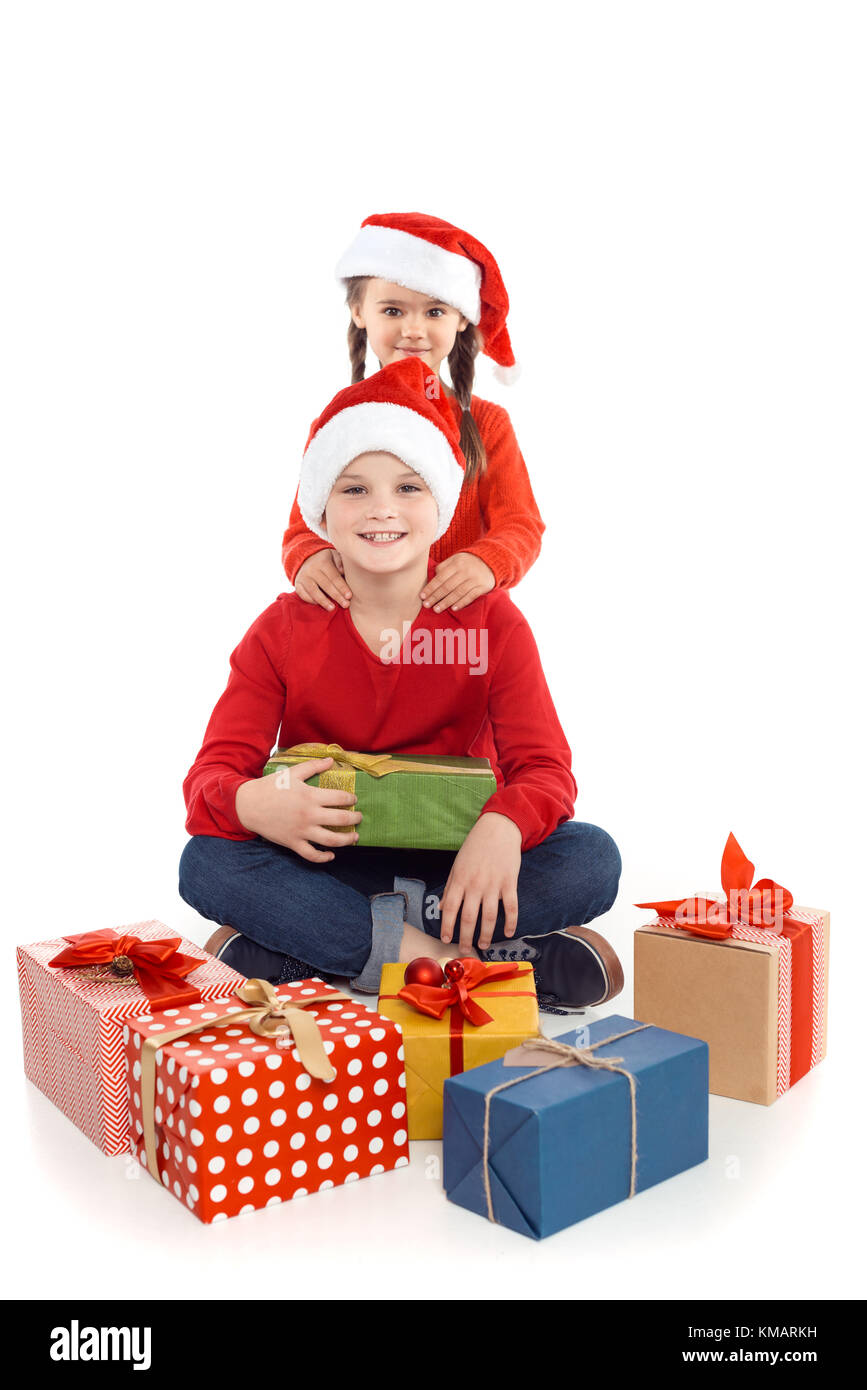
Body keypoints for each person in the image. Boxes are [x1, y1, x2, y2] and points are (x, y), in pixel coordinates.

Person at [180, 357, 623, 1011]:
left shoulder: (491, 622)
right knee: (207, 862)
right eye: (354, 489)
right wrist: (251, 805)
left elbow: (545, 771)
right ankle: (455, 961)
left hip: (454, 866)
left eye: (408, 488)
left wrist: (501, 828)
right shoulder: (281, 630)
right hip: (327, 862)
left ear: (441, 506)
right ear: (321, 511)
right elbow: (209, 781)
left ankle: (317, 952)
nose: (381, 509)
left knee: (590, 855)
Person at [282, 211, 545, 617]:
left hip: (461, 625)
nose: (414, 330)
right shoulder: (338, 420)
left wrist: (487, 561)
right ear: (359, 312)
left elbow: (520, 524)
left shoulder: (488, 423)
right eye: (392, 310)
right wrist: (308, 556)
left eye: (435, 311)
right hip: (362, 623)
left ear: (461, 318)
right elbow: (305, 519)